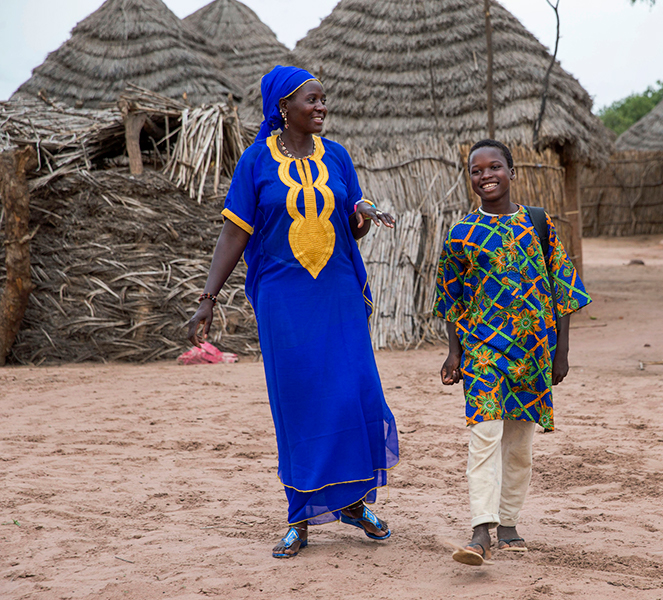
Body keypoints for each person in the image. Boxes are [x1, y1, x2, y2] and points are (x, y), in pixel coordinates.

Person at [187, 66, 399, 558]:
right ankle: (300, 516)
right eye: (312, 100)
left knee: (351, 394)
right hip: (284, 299)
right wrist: (207, 298)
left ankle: (354, 502)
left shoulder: (338, 157)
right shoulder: (256, 161)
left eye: (324, 99)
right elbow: (235, 233)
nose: (322, 107)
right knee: (299, 402)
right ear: (284, 107)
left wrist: (363, 218)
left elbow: (350, 225)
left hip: (339, 293)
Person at [433, 139, 592, 565]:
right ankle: (481, 530)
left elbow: (564, 289)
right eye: (476, 170)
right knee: (484, 435)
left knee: (519, 443)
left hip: (535, 350)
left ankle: (508, 523)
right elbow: (451, 298)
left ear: (512, 172)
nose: (485, 175)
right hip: (483, 348)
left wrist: (562, 351)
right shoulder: (461, 233)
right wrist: (454, 353)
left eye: (494, 167)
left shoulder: (539, 224)